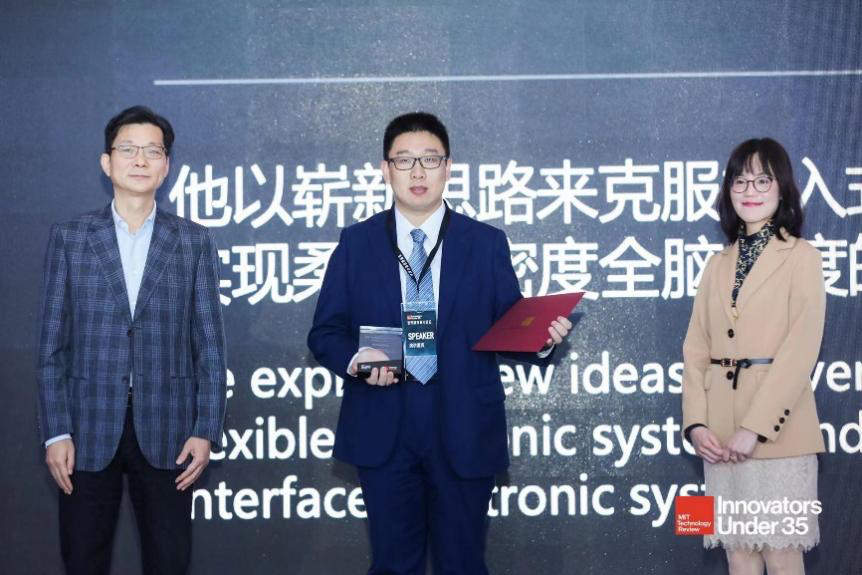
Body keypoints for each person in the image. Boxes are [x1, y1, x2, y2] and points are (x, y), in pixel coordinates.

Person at [307, 112, 572, 574]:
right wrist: (358, 359)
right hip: (384, 425)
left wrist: (541, 340)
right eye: (404, 160)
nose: (417, 172)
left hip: (462, 425)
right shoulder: (357, 243)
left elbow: (508, 327)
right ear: (385, 169)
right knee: (392, 565)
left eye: (429, 159)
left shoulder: (485, 243)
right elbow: (324, 332)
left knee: (463, 563)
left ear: (448, 167)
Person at [37, 105, 227, 575]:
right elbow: (51, 347)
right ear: (107, 162)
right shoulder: (71, 238)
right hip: (86, 428)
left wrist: (206, 428)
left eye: (152, 151)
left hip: (170, 430)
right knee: (83, 560)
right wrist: (56, 430)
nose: (140, 160)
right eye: (128, 149)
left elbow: (210, 346)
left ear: (166, 165)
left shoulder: (193, 241)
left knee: (169, 561)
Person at [681, 138, 826, 574]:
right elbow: (696, 348)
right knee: (737, 554)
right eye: (740, 181)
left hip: (779, 434)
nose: (750, 190)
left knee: (781, 554)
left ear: (783, 189)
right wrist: (696, 424)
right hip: (719, 438)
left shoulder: (802, 257)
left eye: (763, 180)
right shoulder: (716, 264)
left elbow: (801, 350)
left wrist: (755, 428)